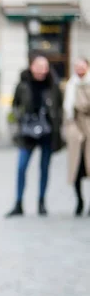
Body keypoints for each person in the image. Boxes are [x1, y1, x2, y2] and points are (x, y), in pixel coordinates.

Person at [6, 54, 64, 217]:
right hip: (27, 133)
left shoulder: (53, 85)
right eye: (38, 67)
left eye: (44, 67)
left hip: (47, 132)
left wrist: (57, 126)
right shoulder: (23, 84)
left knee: (44, 168)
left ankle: (41, 202)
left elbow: (59, 107)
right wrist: (19, 119)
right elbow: (15, 105)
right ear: (31, 67)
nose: (41, 70)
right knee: (21, 167)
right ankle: (18, 203)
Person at [63, 58, 90, 216]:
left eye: (82, 66)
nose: (79, 69)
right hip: (75, 131)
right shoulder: (71, 85)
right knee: (76, 169)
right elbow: (67, 110)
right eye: (77, 66)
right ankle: (79, 201)